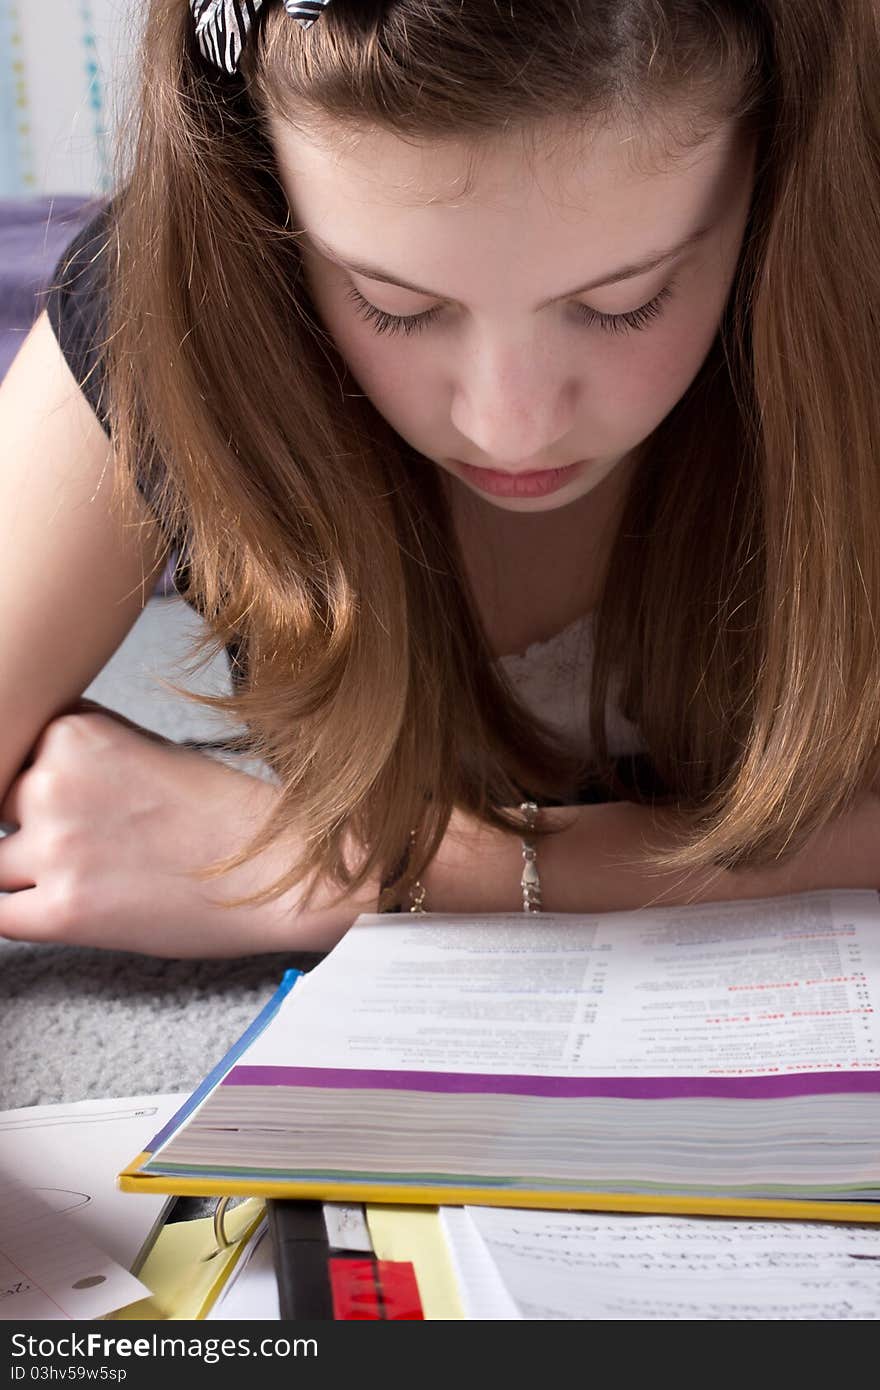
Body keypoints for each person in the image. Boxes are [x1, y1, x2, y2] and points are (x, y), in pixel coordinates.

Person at [1, 0, 878, 959]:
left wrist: (340, 870)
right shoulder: (178, 298)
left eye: (625, 301)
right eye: (398, 304)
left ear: (777, 162)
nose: (510, 427)